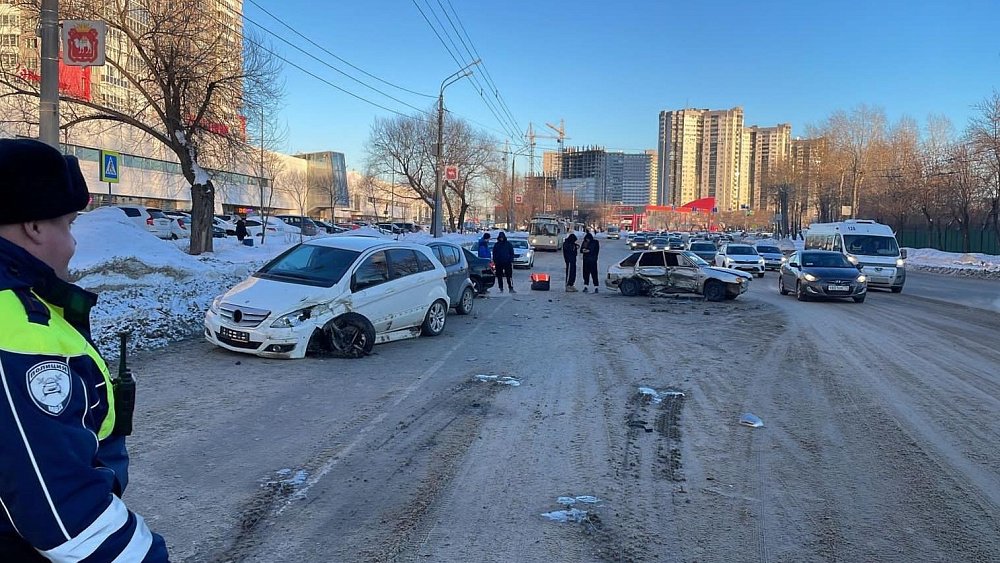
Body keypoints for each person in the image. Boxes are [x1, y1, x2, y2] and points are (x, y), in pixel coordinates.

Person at [0, 139, 169, 561]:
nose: (73, 244)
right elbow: (63, 513)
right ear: (34, 227)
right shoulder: (15, 326)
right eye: (69, 225)